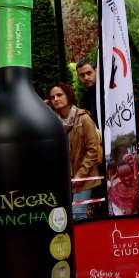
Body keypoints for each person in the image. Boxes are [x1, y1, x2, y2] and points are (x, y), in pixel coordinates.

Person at [46, 82, 102, 221]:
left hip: (84, 176)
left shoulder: (84, 118)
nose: (56, 99)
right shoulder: (52, 122)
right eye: (52, 97)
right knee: (63, 218)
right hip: (64, 179)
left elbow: (92, 150)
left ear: (68, 96)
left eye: (59, 95)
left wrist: (80, 175)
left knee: (78, 214)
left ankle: (84, 243)